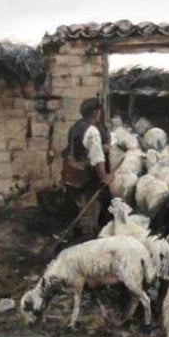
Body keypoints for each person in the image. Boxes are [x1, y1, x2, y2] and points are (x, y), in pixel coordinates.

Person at [62, 97, 113, 237]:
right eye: (99, 111)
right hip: (87, 177)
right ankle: (88, 238)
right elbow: (97, 159)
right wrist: (104, 177)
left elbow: (80, 147)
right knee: (91, 209)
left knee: (79, 206)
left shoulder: (76, 127)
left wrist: (100, 147)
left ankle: (77, 234)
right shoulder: (93, 131)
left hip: (73, 174)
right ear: (96, 112)